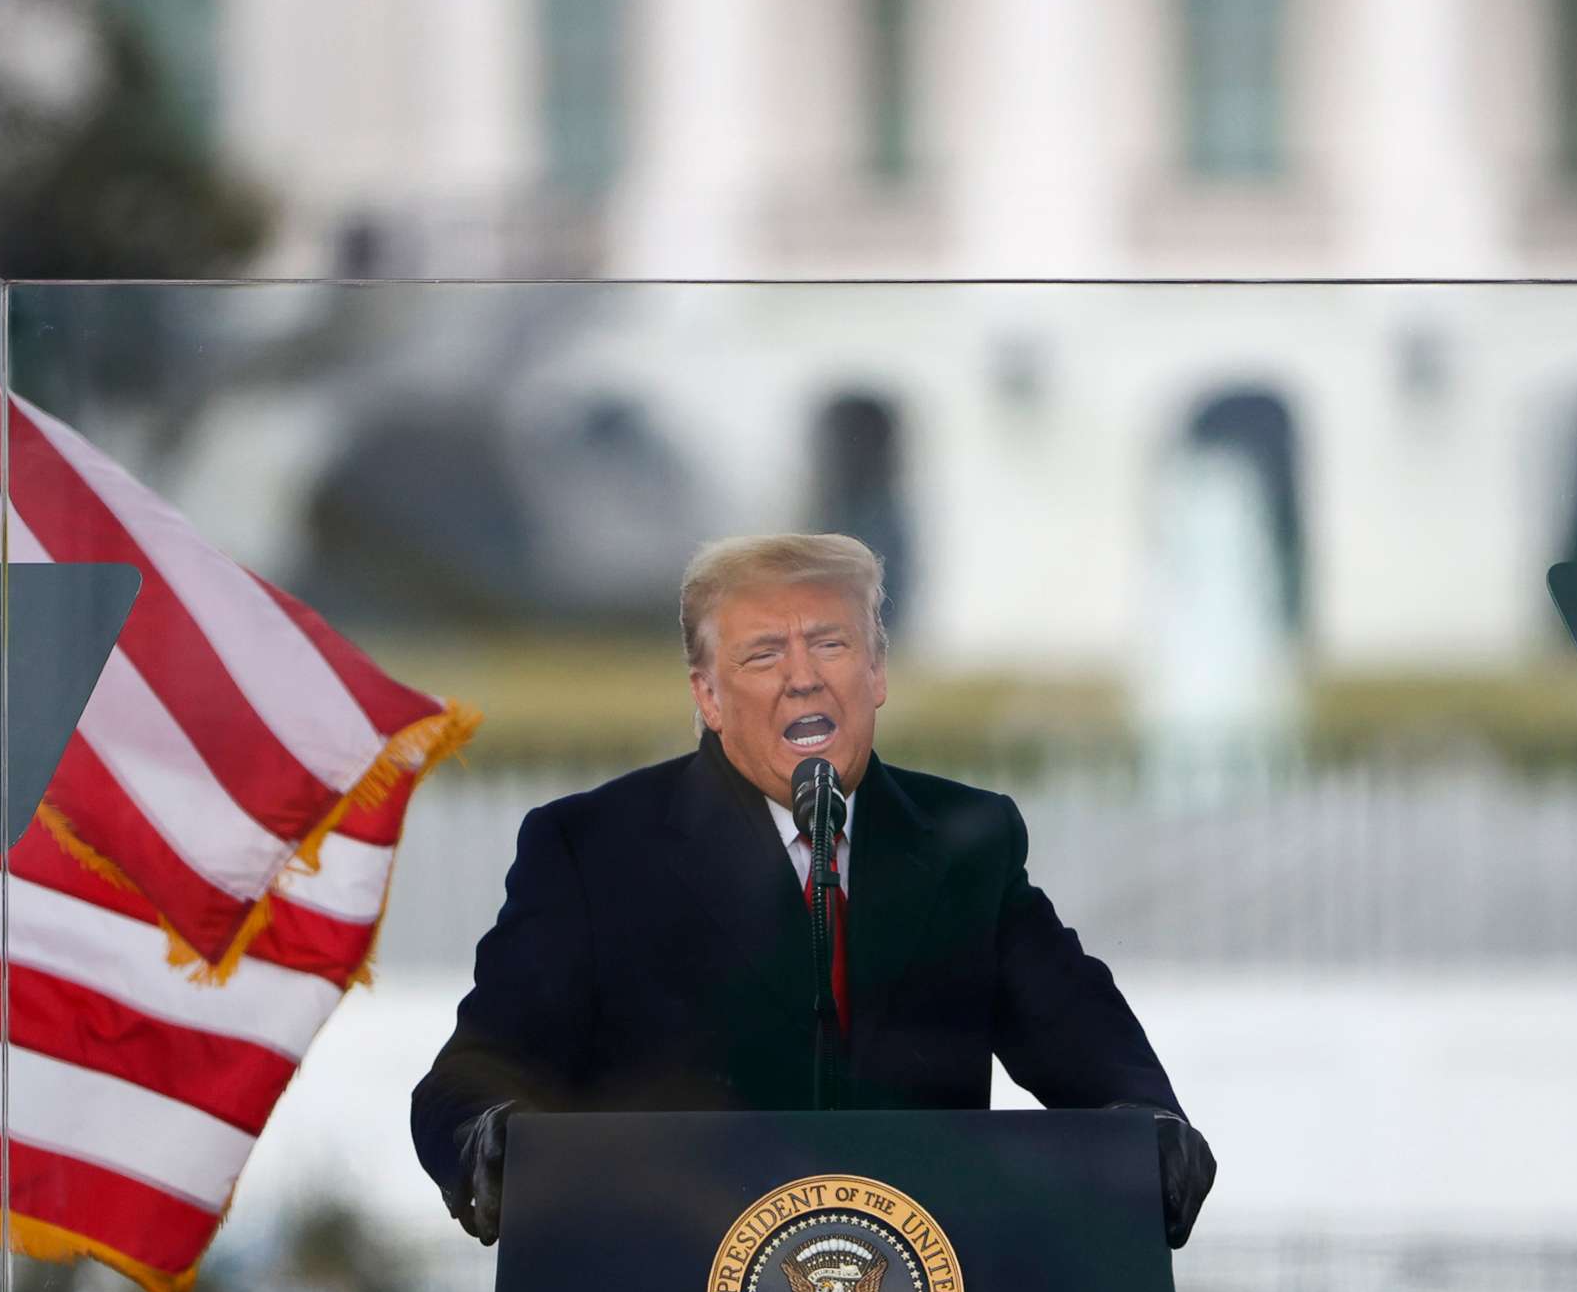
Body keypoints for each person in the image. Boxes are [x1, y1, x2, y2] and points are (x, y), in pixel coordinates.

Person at [411, 533, 1216, 1248]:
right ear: (708, 696)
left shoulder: (965, 842)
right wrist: (491, 1139)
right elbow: (472, 1076)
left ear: (876, 672)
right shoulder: (594, 849)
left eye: (829, 644)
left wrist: (1151, 1125)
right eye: (763, 654)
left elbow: (1076, 1026)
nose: (802, 679)